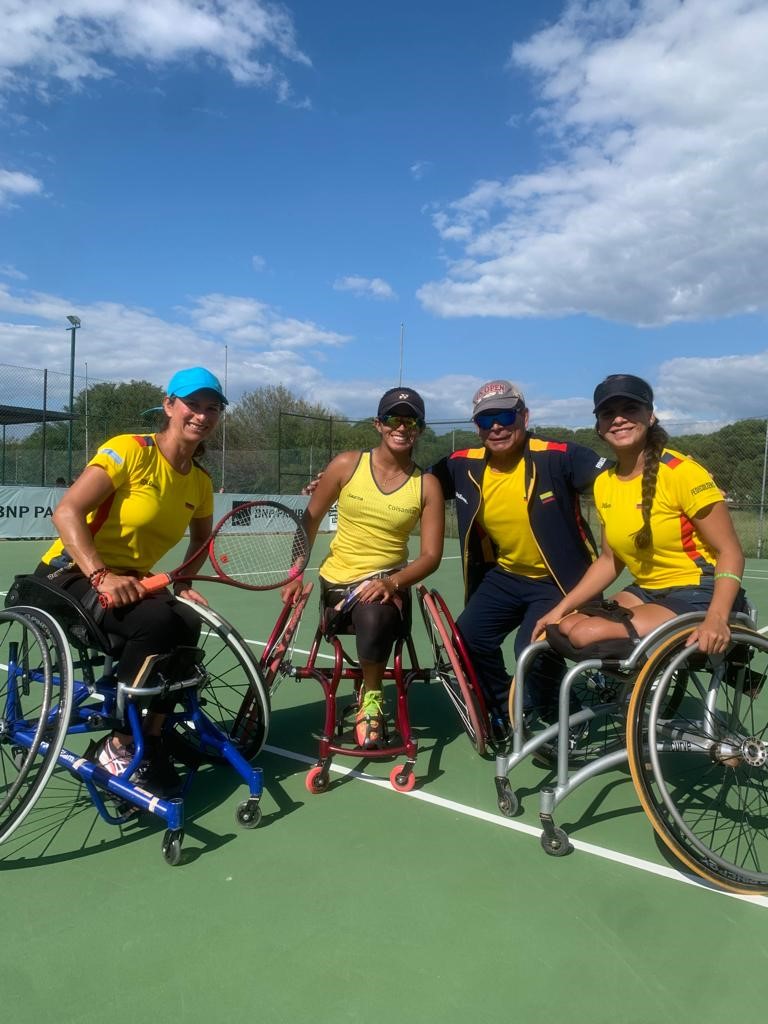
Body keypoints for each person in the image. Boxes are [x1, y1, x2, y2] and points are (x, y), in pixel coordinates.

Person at [33, 366, 227, 793]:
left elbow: (201, 536)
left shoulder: (200, 480)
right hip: (68, 576)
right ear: (169, 406)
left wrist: (186, 582)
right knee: (155, 624)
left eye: (212, 408)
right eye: (192, 405)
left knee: (189, 622)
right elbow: (66, 512)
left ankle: (152, 737)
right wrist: (101, 575)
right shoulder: (131, 450)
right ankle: (118, 744)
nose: (202, 415)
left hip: (133, 583)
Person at [428, 380, 609, 737]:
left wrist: (671, 474)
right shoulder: (462, 464)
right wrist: (337, 481)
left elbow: (619, 474)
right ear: (476, 426)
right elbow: (409, 485)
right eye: (485, 419)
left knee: (531, 647)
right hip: (507, 576)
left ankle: (564, 715)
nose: (496, 426)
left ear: (524, 416)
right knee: (467, 637)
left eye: (506, 415)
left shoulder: (557, 455)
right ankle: (501, 704)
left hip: (560, 581)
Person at [533, 374, 745, 653]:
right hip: (646, 590)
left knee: (587, 633)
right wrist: (560, 608)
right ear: (599, 427)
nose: (619, 419)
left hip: (698, 589)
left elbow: (731, 551)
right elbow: (610, 560)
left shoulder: (682, 472)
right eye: (608, 413)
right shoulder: (604, 482)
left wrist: (717, 618)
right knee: (565, 627)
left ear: (651, 416)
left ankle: (643, 686)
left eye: (630, 409)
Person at [282, 386, 444, 748]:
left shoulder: (427, 485)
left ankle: (371, 699)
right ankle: (368, 688)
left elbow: (431, 556)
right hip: (337, 588)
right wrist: (295, 574)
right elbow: (309, 521)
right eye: (393, 419)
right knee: (368, 612)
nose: (402, 427)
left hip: (388, 588)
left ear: (420, 427)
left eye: (411, 420)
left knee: (375, 613)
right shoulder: (346, 465)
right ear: (379, 424)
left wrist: (392, 582)